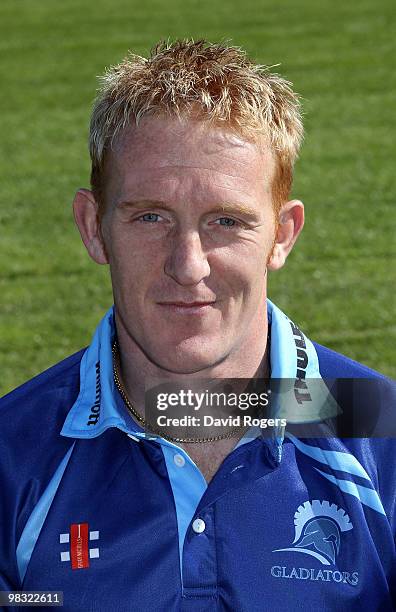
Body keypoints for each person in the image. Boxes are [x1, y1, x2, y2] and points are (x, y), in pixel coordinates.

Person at [0, 39, 395, 611]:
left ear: (282, 235)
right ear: (93, 227)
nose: (188, 266)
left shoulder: (379, 438)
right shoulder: (14, 457)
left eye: (226, 221)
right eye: (151, 216)